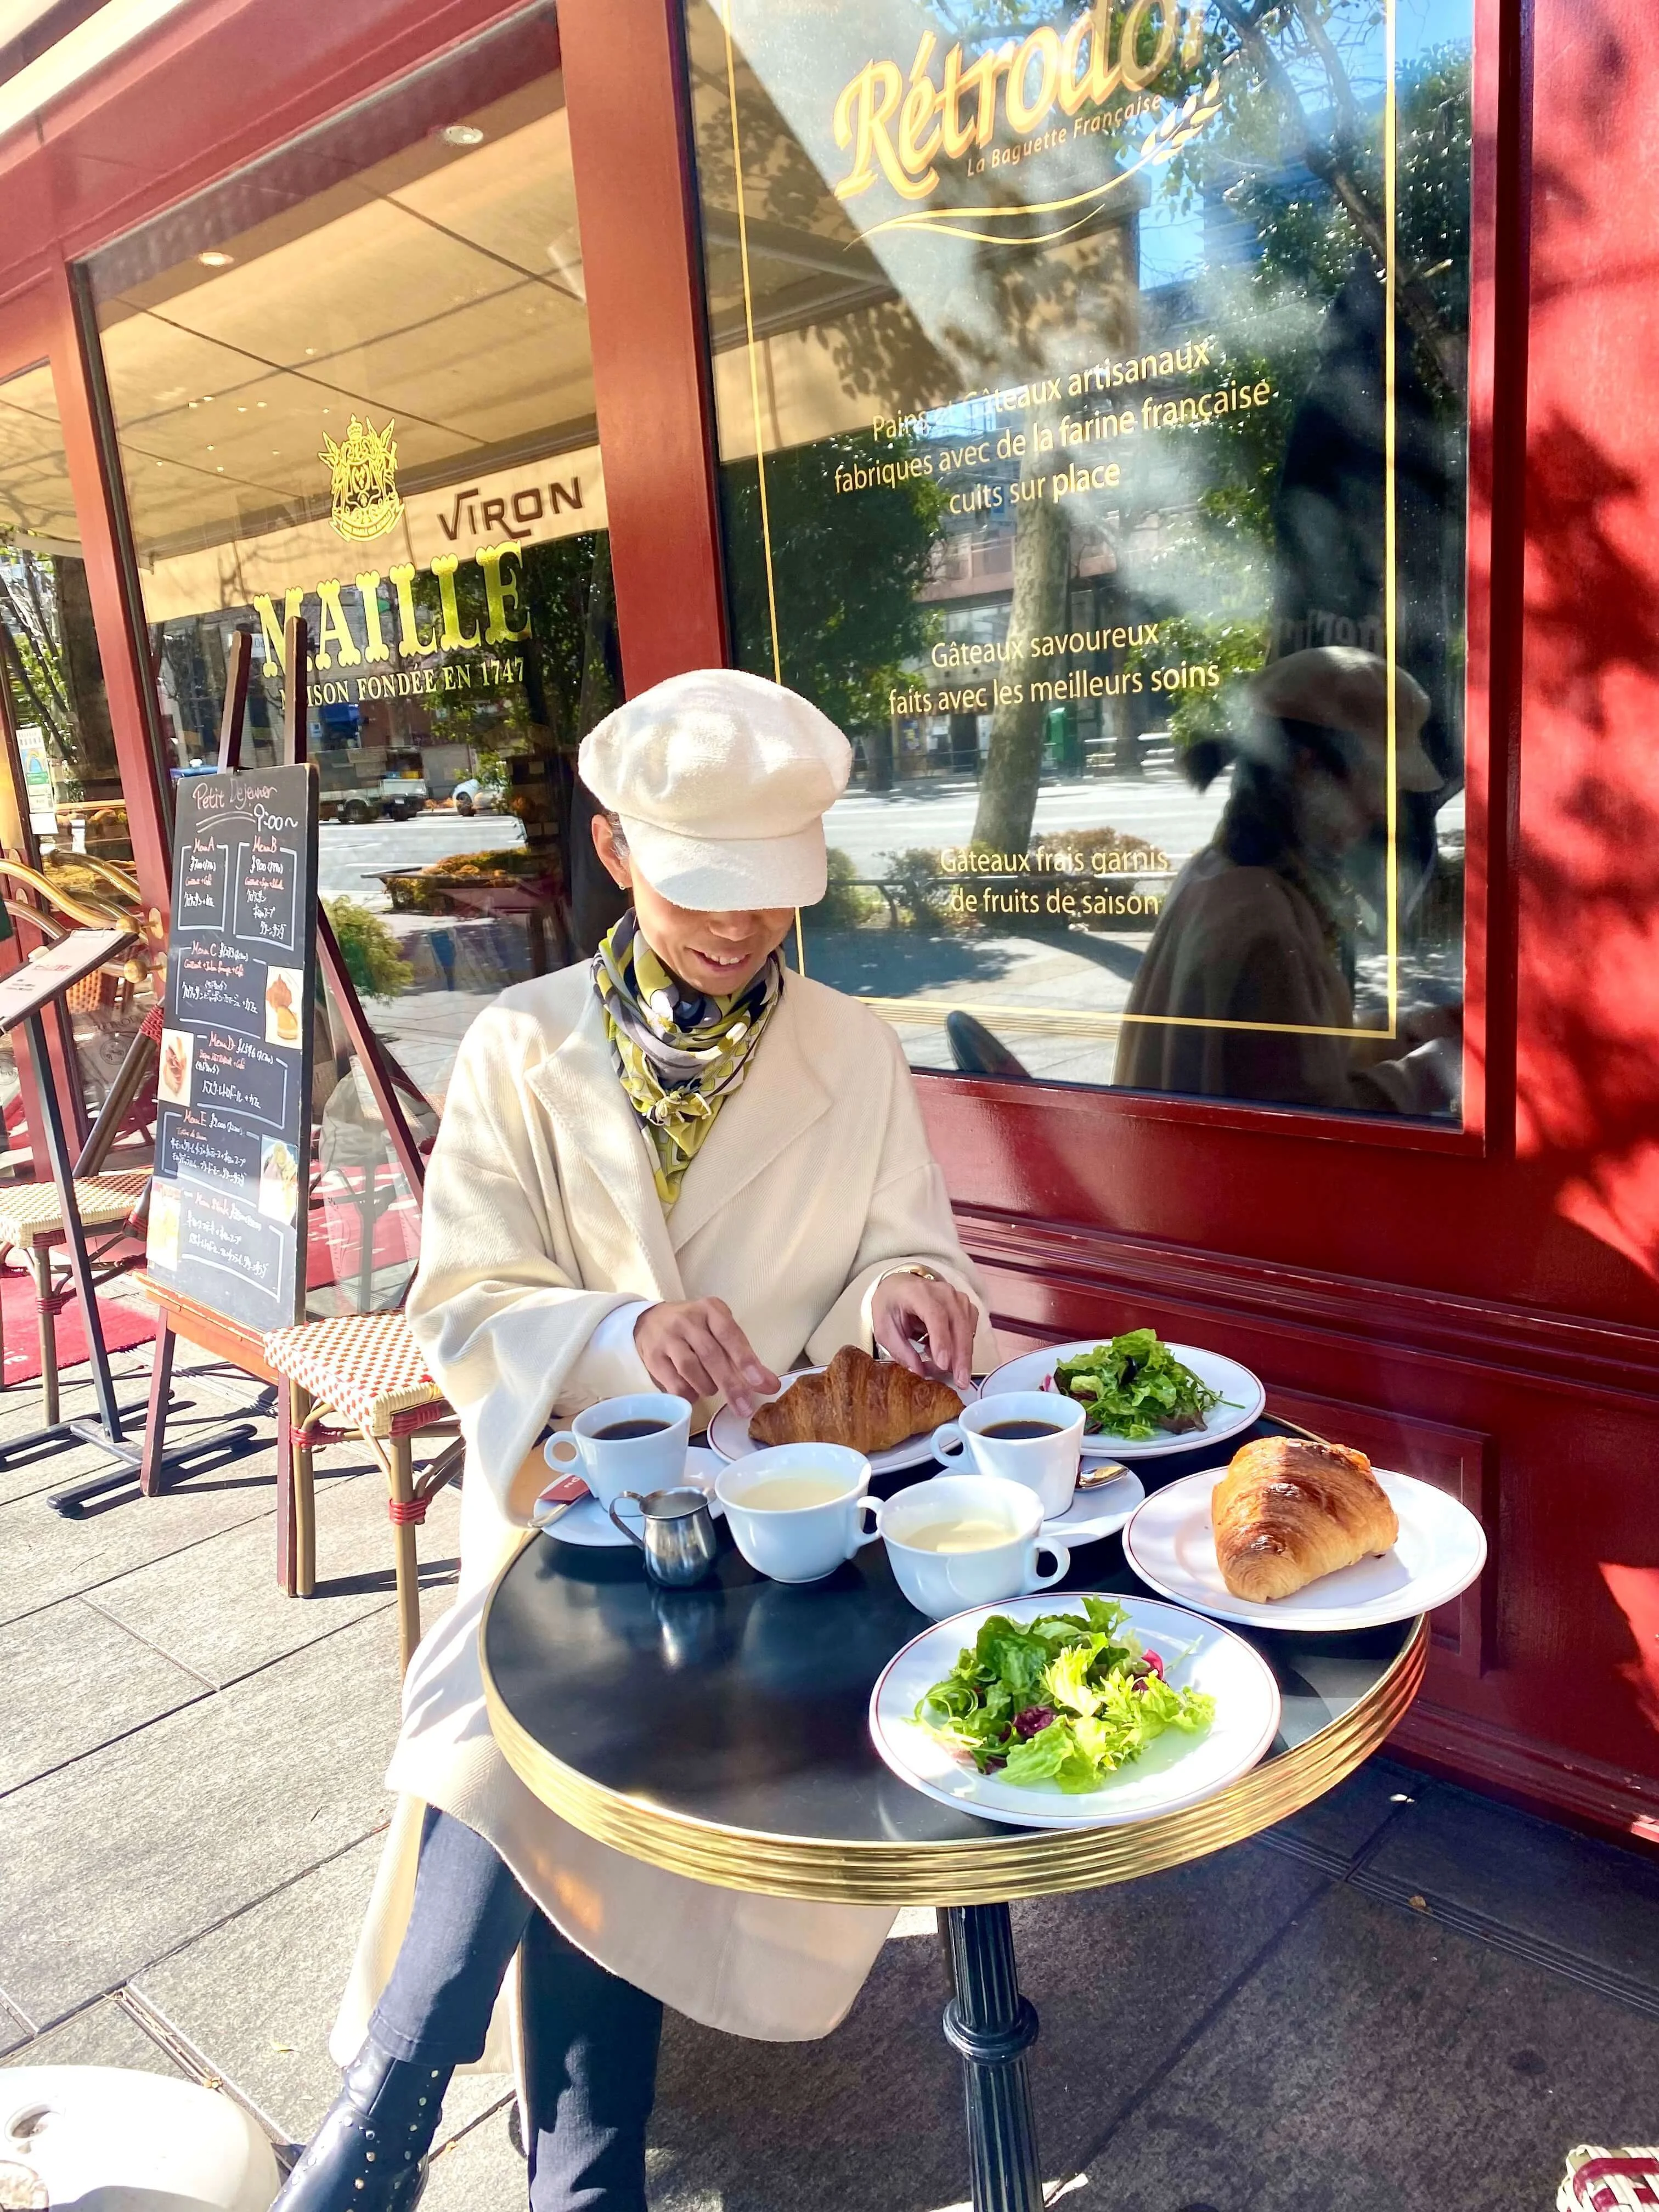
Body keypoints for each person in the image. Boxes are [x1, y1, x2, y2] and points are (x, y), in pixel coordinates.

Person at [276, 668, 997, 2212]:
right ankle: (526, 2159)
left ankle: (404, 2135)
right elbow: (463, 1299)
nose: (738, 938)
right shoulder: (517, 1048)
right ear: (615, 853)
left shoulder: (853, 1048)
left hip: (787, 1522)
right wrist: (619, 1335)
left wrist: (916, 1297)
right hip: (579, 1505)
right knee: (528, 1714)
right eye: (702, 896)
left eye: (767, 901)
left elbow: (896, 1249)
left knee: (532, 1734)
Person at [1114, 645, 1459, 1115]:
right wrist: (1443, 1067)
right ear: (1308, 769)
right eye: (1378, 781)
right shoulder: (1265, 923)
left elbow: (1287, 1055)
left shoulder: (1219, 873)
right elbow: (1320, 1125)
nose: (1384, 809)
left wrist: (1406, 1034)